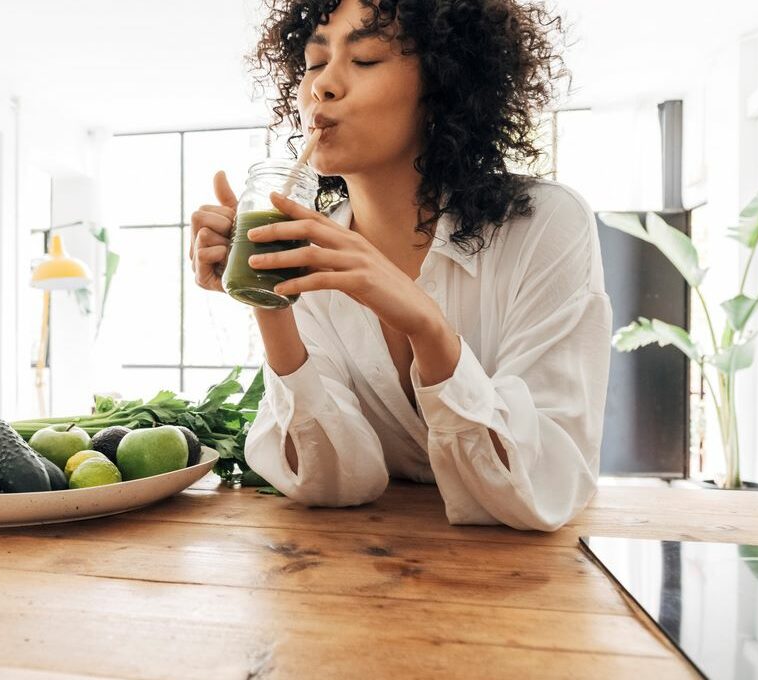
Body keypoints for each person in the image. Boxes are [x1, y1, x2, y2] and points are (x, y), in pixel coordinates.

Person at [188, 0, 612, 531]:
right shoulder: (310, 250)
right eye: (315, 63)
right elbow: (334, 484)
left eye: (364, 59)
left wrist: (427, 328)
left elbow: (545, 487)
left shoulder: (544, 226)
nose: (323, 86)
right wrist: (267, 295)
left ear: (443, 87)